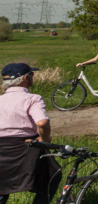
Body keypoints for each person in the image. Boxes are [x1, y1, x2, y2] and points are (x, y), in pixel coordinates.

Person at [0, 63, 62, 204]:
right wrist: (46, 142)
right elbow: (42, 123)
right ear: (25, 78)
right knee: (53, 174)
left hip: (1, 149)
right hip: (25, 148)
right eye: (31, 75)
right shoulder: (32, 99)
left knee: (2, 183)